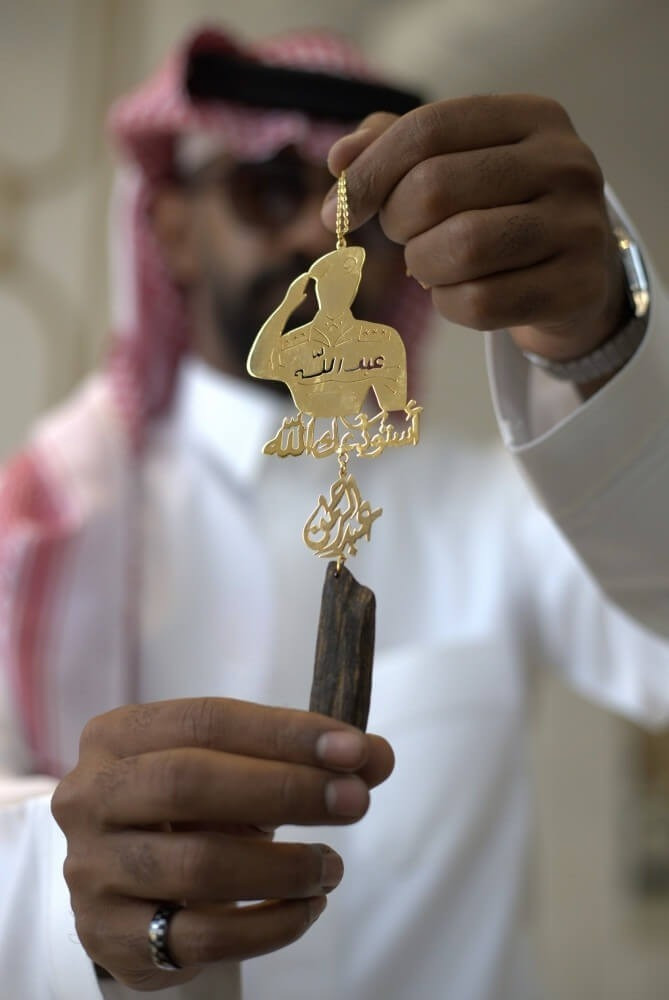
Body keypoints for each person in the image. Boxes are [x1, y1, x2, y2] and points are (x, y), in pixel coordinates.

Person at [1, 23, 669, 1000]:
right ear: (173, 227)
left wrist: (604, 344)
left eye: (357, 219)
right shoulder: (45, 530)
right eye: (269, 189)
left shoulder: (494, 510)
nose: (319, 236)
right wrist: (65, 907)